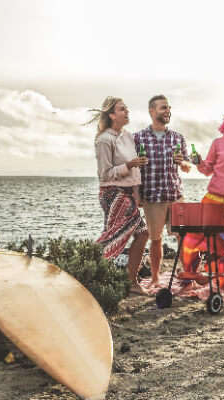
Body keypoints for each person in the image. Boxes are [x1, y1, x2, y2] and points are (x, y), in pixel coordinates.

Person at [176, 106, 224, 292]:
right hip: (213, 199)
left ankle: (223, 281)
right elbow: (207, 170)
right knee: (192, 236)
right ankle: (189, 278)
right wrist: (198, 162)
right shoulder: (218, 143)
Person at [90, 96, 149, 295]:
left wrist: (136, 194)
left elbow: (136, 171)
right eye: (122, 109)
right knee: (119, 236)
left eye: (127, 108)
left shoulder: (128, 136)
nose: (127, 111)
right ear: (112, 115)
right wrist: (129, 165)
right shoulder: (104, 140)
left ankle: (123, 279)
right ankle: (91, 267)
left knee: (127, 234)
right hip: (112, 193)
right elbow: (105, 174)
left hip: (127, 194)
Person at [133, 95, 192, 288]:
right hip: (152, 196)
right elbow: (135, 169)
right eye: (163, 108)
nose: (167, 111)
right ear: (152, 111)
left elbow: (188, 163)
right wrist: (136, 194)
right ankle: (156, 278)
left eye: (168, 108)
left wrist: (183, 163)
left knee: (182, 237)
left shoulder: (177, 137)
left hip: (175, 194)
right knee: (155, 240)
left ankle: (186, 276)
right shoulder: (139, 137)